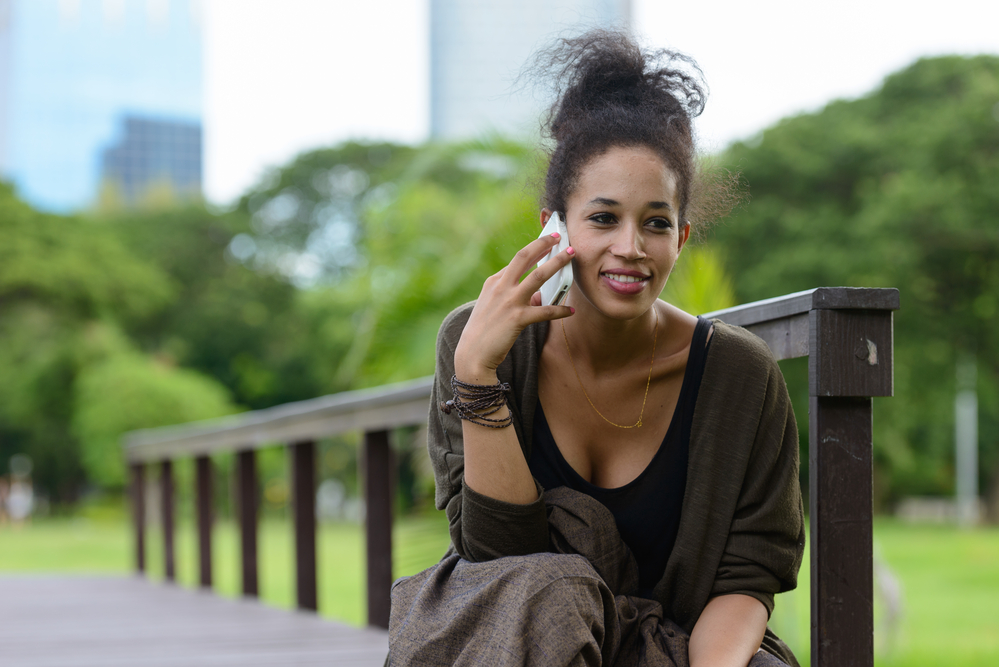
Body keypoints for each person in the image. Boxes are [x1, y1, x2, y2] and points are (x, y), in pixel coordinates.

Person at [389, 30, 804, 667]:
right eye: (604, 218)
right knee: (547, 593)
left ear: (682, 237)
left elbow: (748, 576)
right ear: (554, 226)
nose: (631, 247)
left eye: (657, 223)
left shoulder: (738, 375)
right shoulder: (480, 344)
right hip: (527, 640)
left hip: (681, 651)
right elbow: (501, 567)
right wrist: (477, 376)